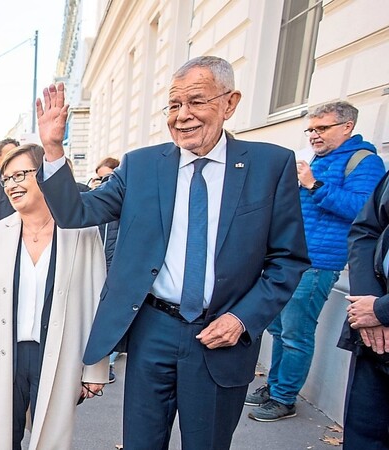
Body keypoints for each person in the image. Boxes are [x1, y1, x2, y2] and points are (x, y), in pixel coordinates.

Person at [35, 56, 310, 449]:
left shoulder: (270, 165)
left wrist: (243, 318)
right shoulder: (142, 165)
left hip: (222, 336)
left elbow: (287, 259)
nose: (182, 116)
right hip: (154, 329)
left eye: (196, 101)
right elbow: (76, 213)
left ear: (229, 104)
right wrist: (52, 149)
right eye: (174, 105)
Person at [0, 144, 109, 449]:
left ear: (45, 176)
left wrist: (96, 366)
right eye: (6, 180)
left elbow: (98, 302)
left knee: (50, 437)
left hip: (59, 353)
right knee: (3, 437)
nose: (12, 185)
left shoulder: (81, 232)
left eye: (20, 175)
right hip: (4, 352)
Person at [246, 101, 385, 421]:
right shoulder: (314, 159)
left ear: (347, 126)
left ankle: (284, 398)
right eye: (310, 128)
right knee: (280, 328)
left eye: (321, 128)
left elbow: (363, 212)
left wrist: (314, 185)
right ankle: (276, 385)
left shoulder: (365, 162)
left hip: (318, 262)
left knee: (296, 332)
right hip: (288, 258)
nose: (313, 135)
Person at [337, 172, 389, 449]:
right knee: (364, 436)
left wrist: (382, 310)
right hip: (373, 334)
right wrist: (369, 303)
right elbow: (365, 231)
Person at [91, 156, 122, 383]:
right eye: (99, 178)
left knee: (109, 316)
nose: (103, 183)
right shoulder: (98, 202)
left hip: (115, 265)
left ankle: (107, 365)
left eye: (108, 178)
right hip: (97, 263)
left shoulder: (125, 201)